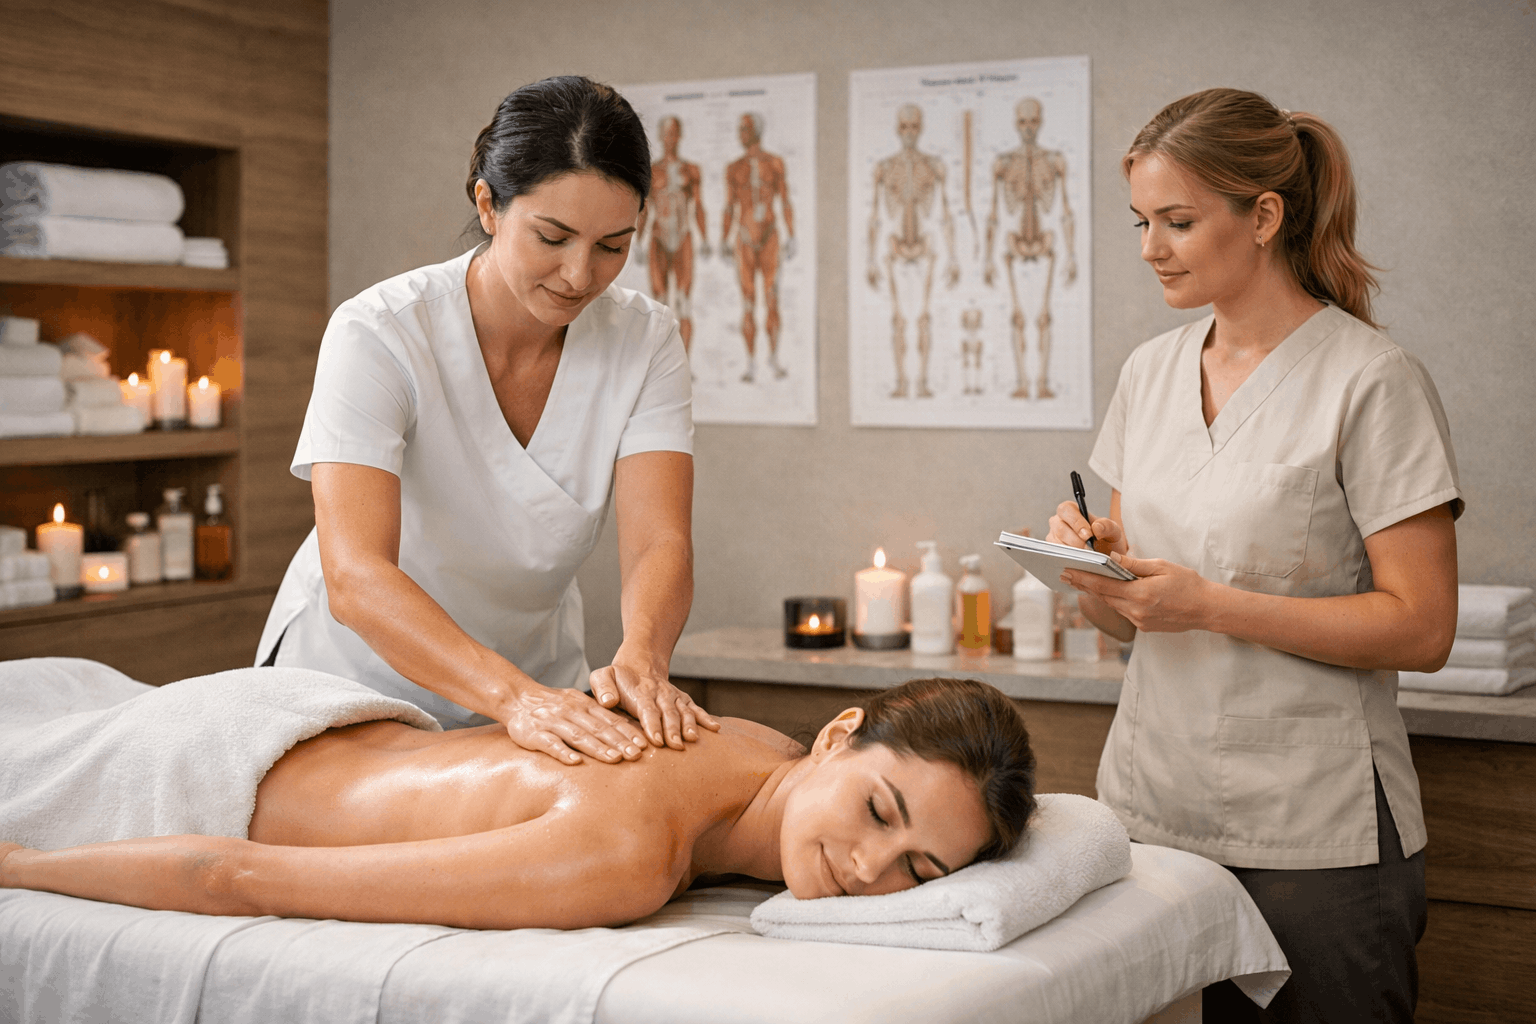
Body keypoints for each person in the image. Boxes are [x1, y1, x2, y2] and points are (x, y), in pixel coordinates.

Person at [1049, 89, 1460, 1023]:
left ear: (1264, 216)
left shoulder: (1370, 380)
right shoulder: (1149, 373)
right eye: (1142, 221)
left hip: (1315, 835)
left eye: (1179, 221)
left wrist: (1211, 604)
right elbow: (1122, 618)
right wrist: (1092, 567)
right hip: (1154, 818)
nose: (1151, 246)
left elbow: (1424, 625)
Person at [256, 76, 718, 766]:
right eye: (553, 237)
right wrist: (514, 700)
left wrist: (643, 658)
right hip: (356, 682)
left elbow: (659, 541)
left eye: (612, 246)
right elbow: (356, 574)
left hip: (537, 686)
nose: (578, 274)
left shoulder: (644, 340)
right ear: (489, 204)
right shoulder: (379, 333)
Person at [0, 676, 1037, 931]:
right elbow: (233, 873)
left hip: (321, 715)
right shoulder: (625, 859)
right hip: (211, 768)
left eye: (919, 872)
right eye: (879, 811)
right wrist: (21, 871)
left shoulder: (750, 745)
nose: (868, 868)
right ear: (840, 735)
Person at [720, 112, 795, 382]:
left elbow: (785, 201)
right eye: (739, 128)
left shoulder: (774, 163)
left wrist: (793, 234)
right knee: (749, 303)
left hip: (770, 237)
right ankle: (751, 363)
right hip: (745, 238)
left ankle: (773, 359)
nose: (740, 133)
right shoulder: (734, 167)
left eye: (744, 129)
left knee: (772, 298)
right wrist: (724, 238)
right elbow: (729, 206)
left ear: (756, 131)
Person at [634, 115, 709, 354]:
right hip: (658, 238)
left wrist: (705, 238)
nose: (670, 138)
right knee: (661, 306)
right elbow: (644, 209)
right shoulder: (653, 172)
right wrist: (638, 240)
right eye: (666, 133)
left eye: (674, 133)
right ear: (660, 136)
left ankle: (685, 364)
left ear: (680, 136)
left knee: (685, 304)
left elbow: (698, 206)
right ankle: (664, 365)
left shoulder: (692, 170)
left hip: (683, 238)